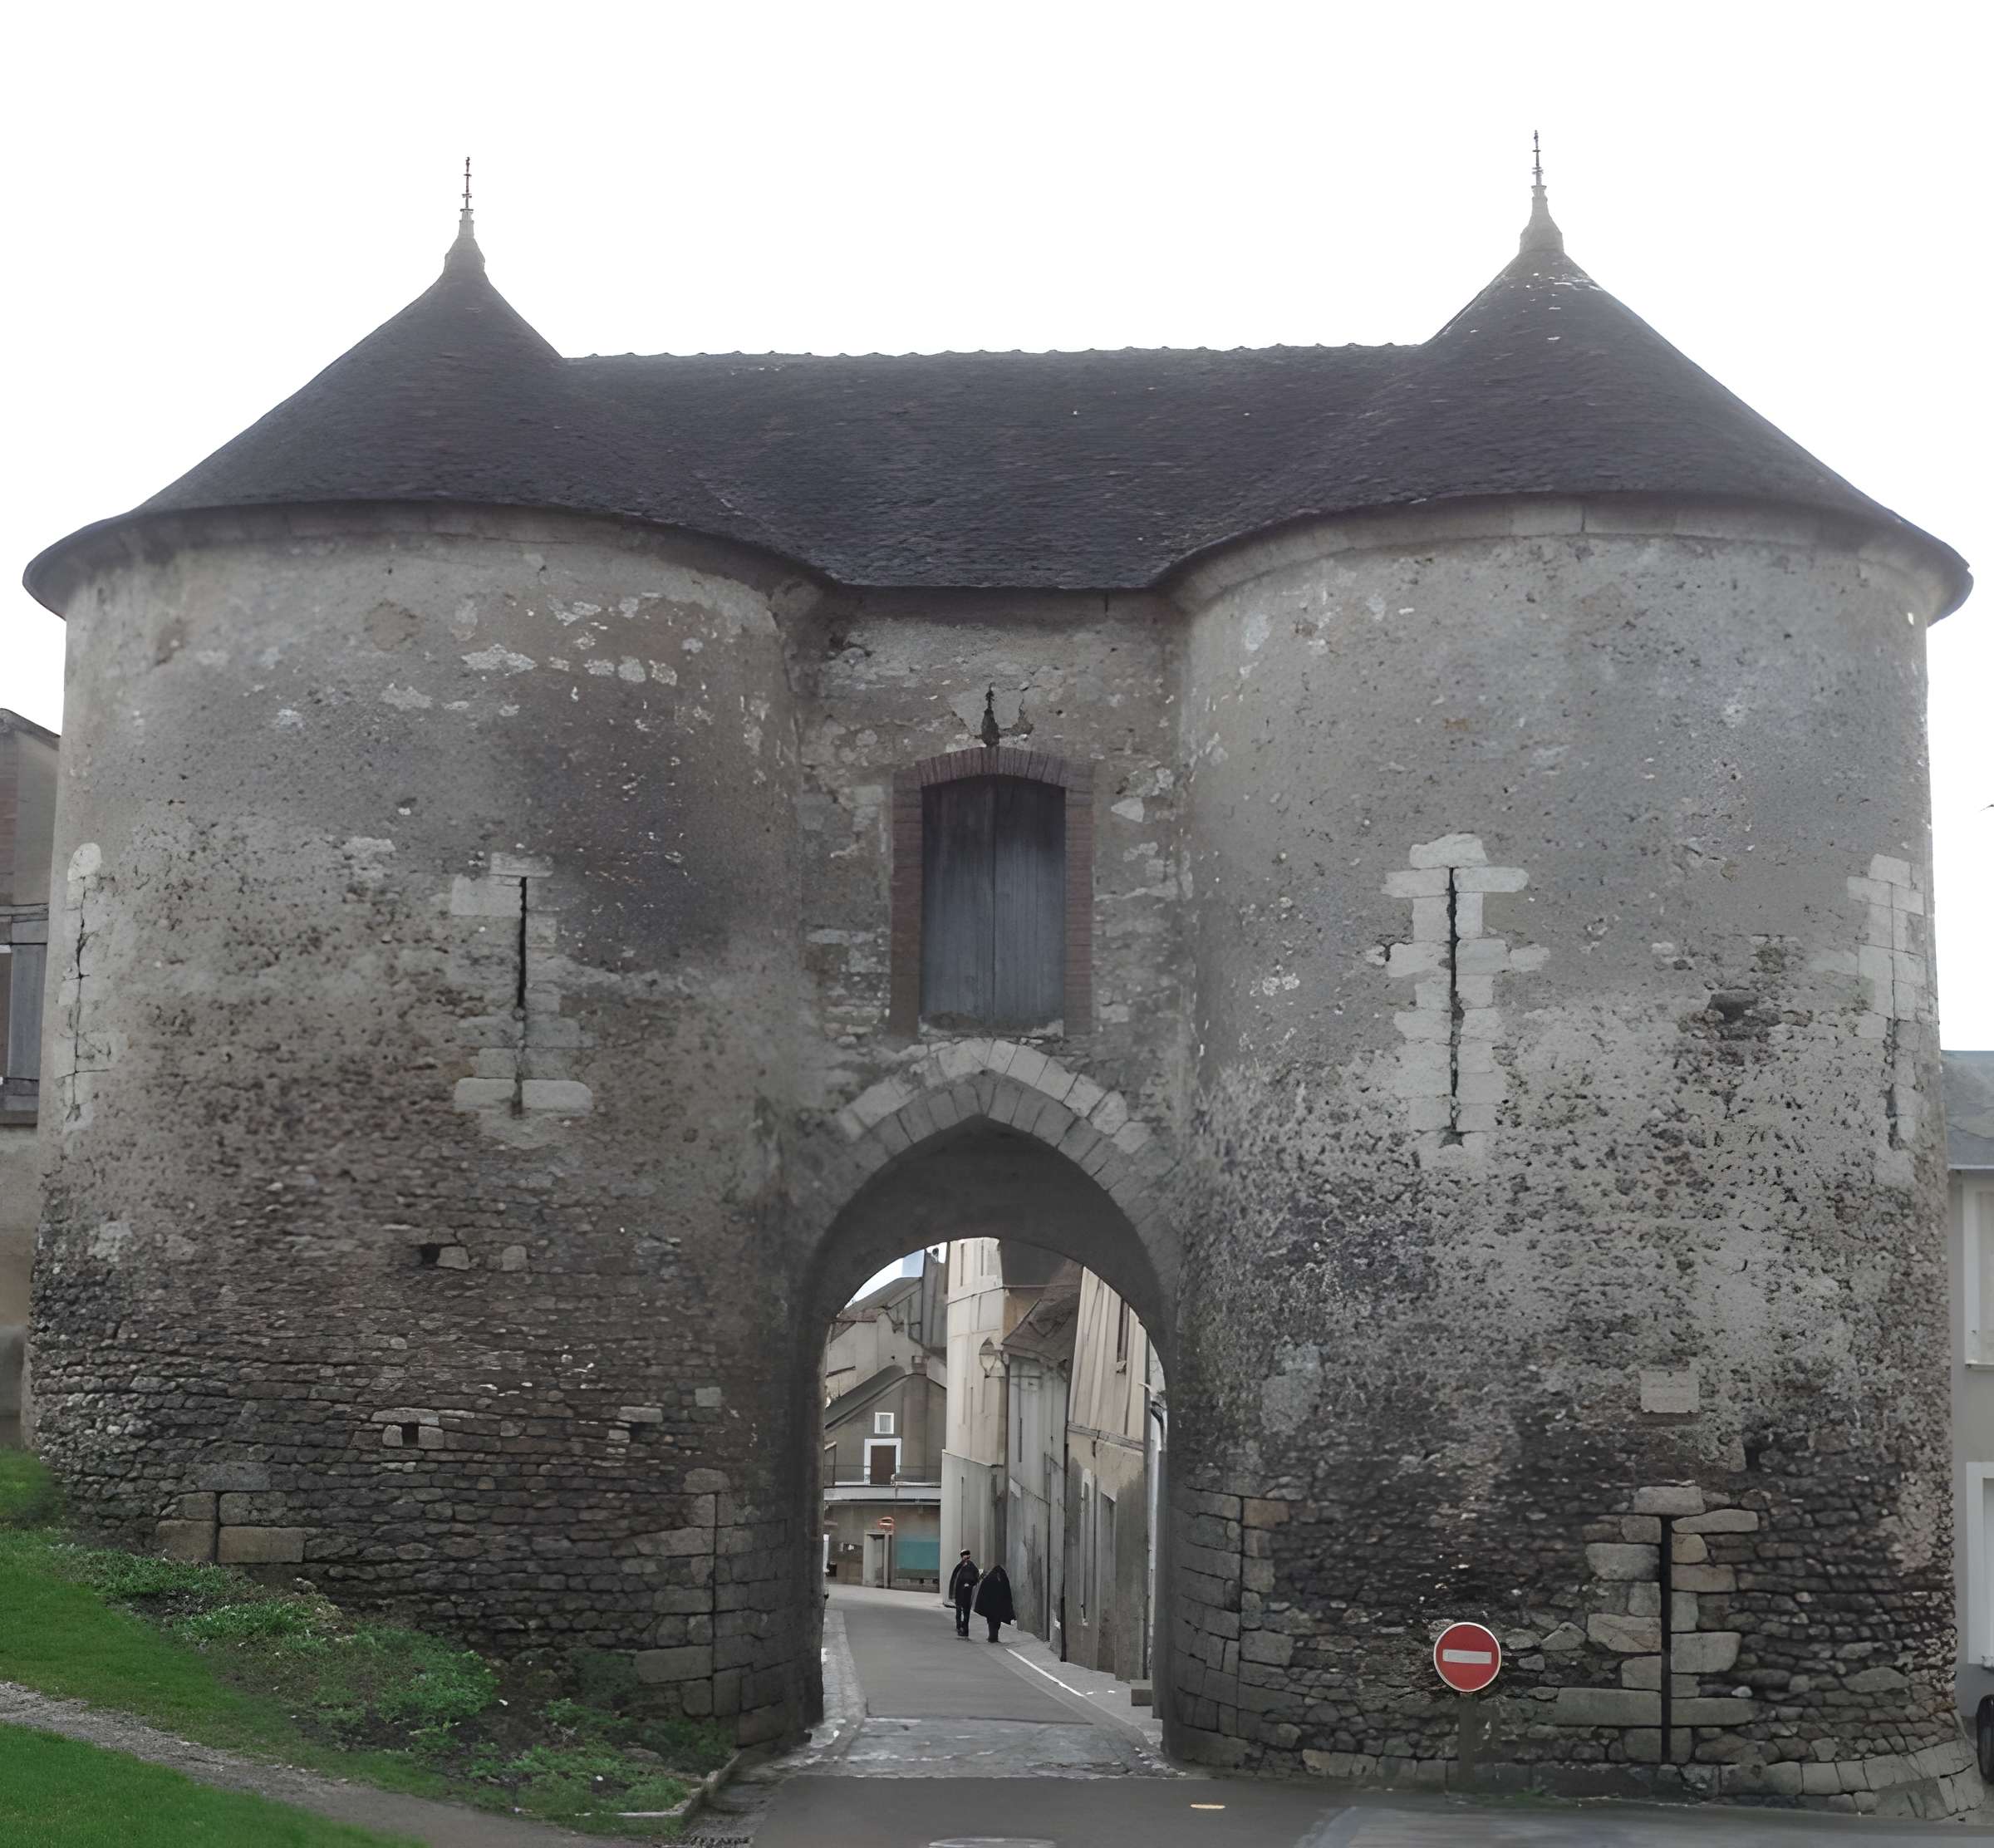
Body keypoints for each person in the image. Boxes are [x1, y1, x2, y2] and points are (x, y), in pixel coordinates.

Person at [972, 1561, 1015, 1642]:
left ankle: (992, 1636)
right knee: (996, 1621)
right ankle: (994, 1636)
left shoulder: (989, 1578)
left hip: (990, 1606)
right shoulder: (1002, 1578)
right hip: (998, 1605)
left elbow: (983, 1592)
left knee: (991, 1621)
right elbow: (1007, 1592)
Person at [947, 1549, 979, 1637]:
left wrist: (969, 1584)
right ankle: (961, 1627)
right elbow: (954, 1579)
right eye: (964, 1556)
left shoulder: (969, 1567)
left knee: (964, 1611)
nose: (965, 1557)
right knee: (961, 1610)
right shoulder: (962, 1566)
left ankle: (963, 1629)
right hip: (962, 1592)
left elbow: (975, 1578)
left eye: (966, 1555)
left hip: (965, 1592)